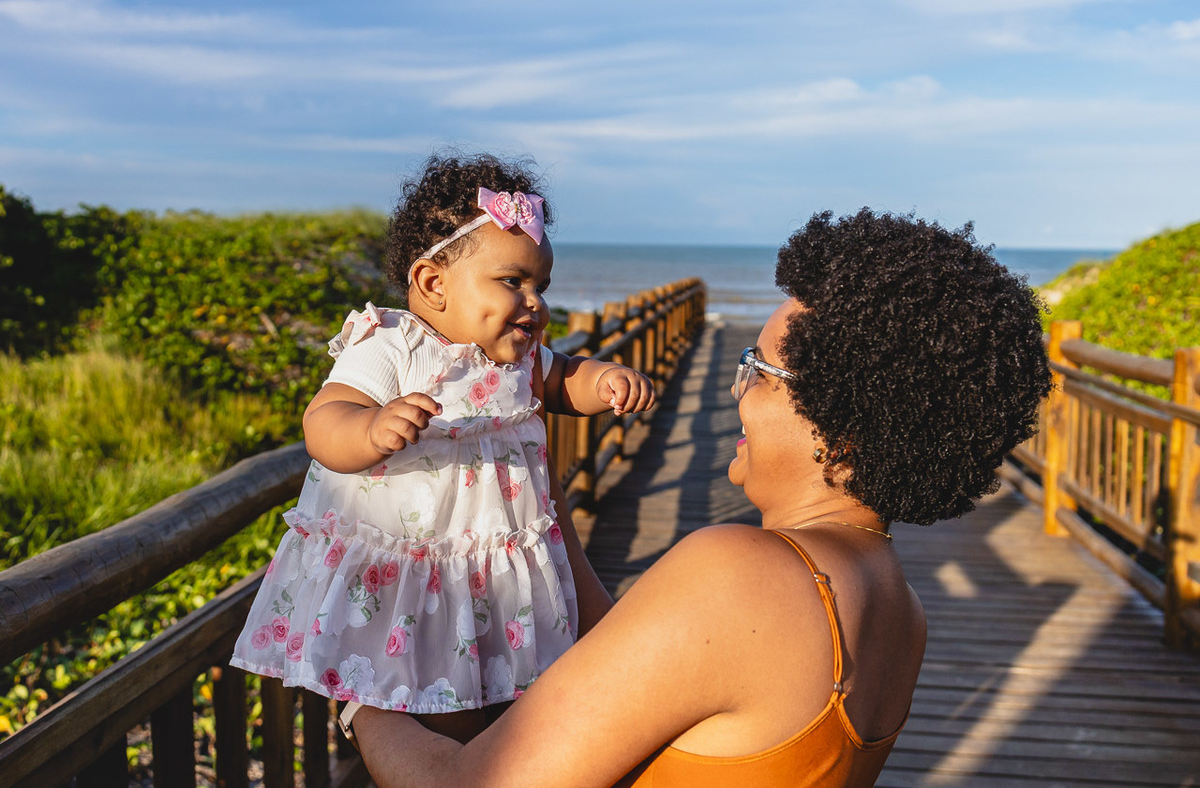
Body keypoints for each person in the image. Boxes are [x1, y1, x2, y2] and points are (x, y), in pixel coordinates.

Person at [344, 207, 1054, 787]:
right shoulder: (900, 607)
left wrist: (359, 703)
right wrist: (543, 502)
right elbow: (651, 667)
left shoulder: (744, 574)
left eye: (762, 371)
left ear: (843, 422)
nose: (736, 388)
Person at [231, 153, 652, 743]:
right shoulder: (393, 345)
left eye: (541, 286)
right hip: (419, 576)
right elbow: (323, 421)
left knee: (517, 703)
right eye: (513, 282)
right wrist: (370, 428)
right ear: (432, 284)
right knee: (441, 709)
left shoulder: (520, 358)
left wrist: (603, 380)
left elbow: (563, 380)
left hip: (497, 573)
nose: (535, 303)